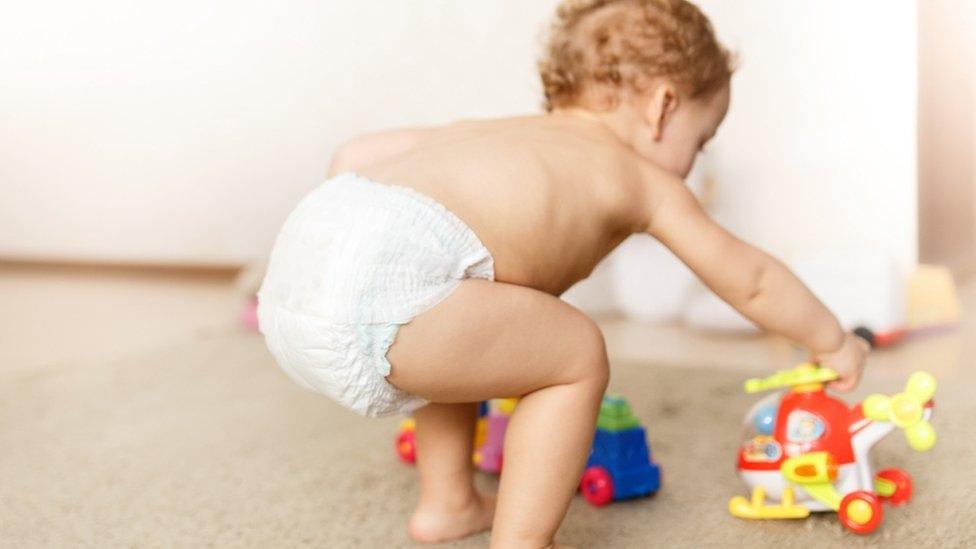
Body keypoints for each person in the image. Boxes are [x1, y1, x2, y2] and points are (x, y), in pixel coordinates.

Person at [257, 1, 869, 547]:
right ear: (663, 106)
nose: (694, 161)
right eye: (701, 139)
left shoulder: (492, 132)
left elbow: (357, 153)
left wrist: (348, 242)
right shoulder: (643, 180)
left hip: (297, 287)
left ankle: (449, 503)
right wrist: (830, 339)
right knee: (574, 352)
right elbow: (750, 278)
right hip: (388, 300)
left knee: (476, 323)